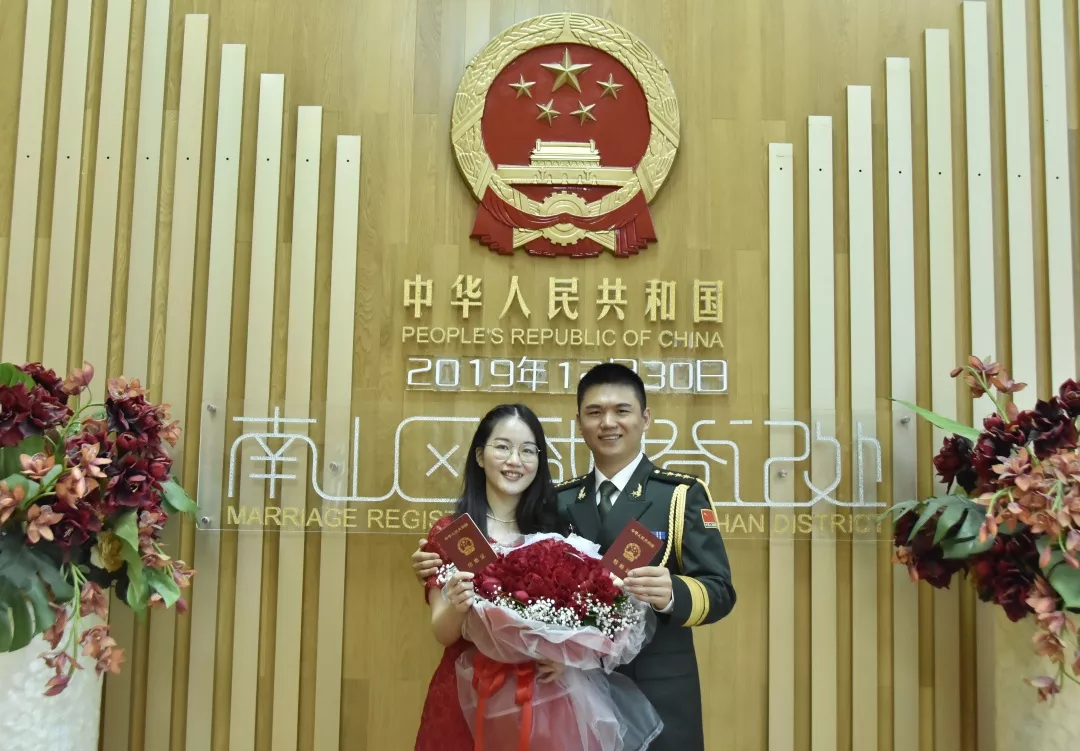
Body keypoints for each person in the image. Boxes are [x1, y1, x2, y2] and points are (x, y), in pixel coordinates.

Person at [412, 365, 736, 750]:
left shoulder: (678, 495)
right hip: (566, 695)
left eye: (622, 410)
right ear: (579, 423)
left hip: (656, 689)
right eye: (595, 412)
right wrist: (435, 565)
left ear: (646, 418)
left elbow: (720, 590)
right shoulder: (558, 503)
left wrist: (672, 593)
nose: (608, 423)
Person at [413, 403, 570, 751]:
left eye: (527, 450)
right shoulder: (452, 533)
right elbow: (443, 632)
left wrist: (564, 657)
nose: (515, 460)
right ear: (480, 456)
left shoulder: (556, 534)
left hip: (539, 695)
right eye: (502, 447)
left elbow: (574, 620)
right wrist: (457, 603)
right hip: (466, 690)